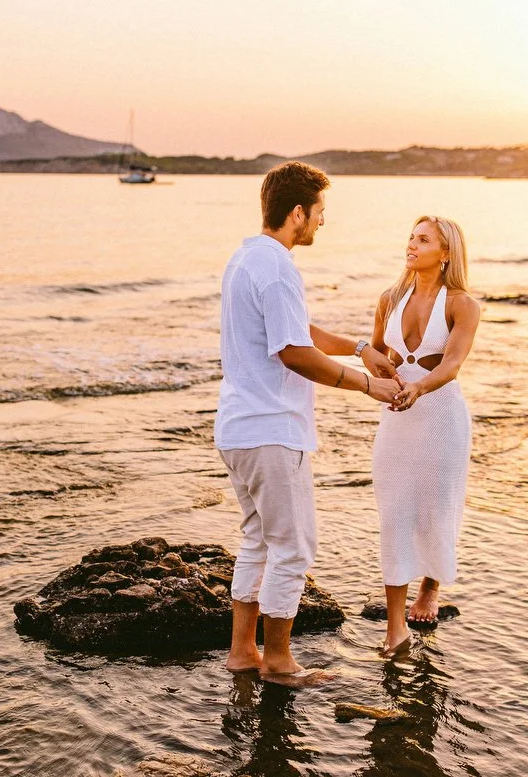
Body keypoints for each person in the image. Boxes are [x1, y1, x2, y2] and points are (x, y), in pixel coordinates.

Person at [215, 161, 401, 686]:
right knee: (293, 548)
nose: (322, 223)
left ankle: (242, 653)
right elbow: (294, 351)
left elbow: (301, 329)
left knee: (258, 541)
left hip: (239, 427)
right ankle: (278, 661)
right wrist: (368, 385)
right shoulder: (276, 268)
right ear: (297, 212)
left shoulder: (246, 258)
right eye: (319, 213)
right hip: (272, 430)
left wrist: (362, 349)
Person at [369, 215, 480, 656]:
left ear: (446, 252)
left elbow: (452, 364)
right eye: (411, 238)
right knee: (394, 513)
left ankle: (429, 589)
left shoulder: (461, 304)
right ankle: (395, 627)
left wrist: (418, 386)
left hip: (441, 418)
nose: (411, 245)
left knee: (438, 507)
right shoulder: (390, 298)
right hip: (396, 417)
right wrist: (381, 375)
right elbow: (378, 351)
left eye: (423, 240)